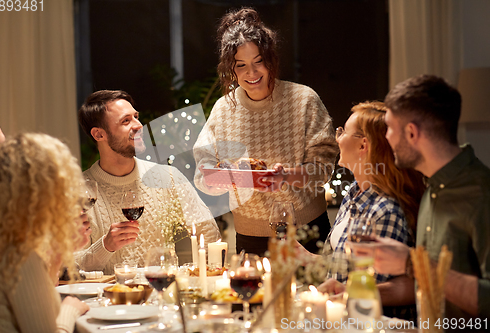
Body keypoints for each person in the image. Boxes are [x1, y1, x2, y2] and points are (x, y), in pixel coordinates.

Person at [193, 8, 339, 256]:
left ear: (271, 60)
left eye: (258, 62)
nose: (251, 73)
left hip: (306, 232)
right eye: (241, 65)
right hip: (250, 238)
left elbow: (323, 169)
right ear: (231, 69)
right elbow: (203, 178)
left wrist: (285, 176)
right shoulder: (223, 109)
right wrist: (240, 177)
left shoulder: (304, 99)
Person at [353, 75, 490, 322]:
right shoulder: (432, 187)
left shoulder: (482, 194)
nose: (386, 138)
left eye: (390, 128)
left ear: (412, 132)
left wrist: (410, 263)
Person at [76, 90, 220, 274]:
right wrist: (105, 246)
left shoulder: (168, 178)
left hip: (163, 293)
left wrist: (202, 281)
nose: (138, 125)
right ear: (98, 134)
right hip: (108, 300)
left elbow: (209, 234)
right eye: (126, 121)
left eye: (136, 117)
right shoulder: (78, 191)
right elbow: (70, 266)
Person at [314, 101, 425, 320]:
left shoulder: (385, 210)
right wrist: (303, 258)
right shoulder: (353, 194)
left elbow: (376, 289)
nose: (337, 138)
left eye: (343, 131)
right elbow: (341, 267)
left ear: (363, 146)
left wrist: (344, 296)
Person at [0, 133, 89, 333]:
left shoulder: (2, 239)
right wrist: (69, 310)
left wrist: (61, 250)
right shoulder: (18, 256)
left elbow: (40, 294)